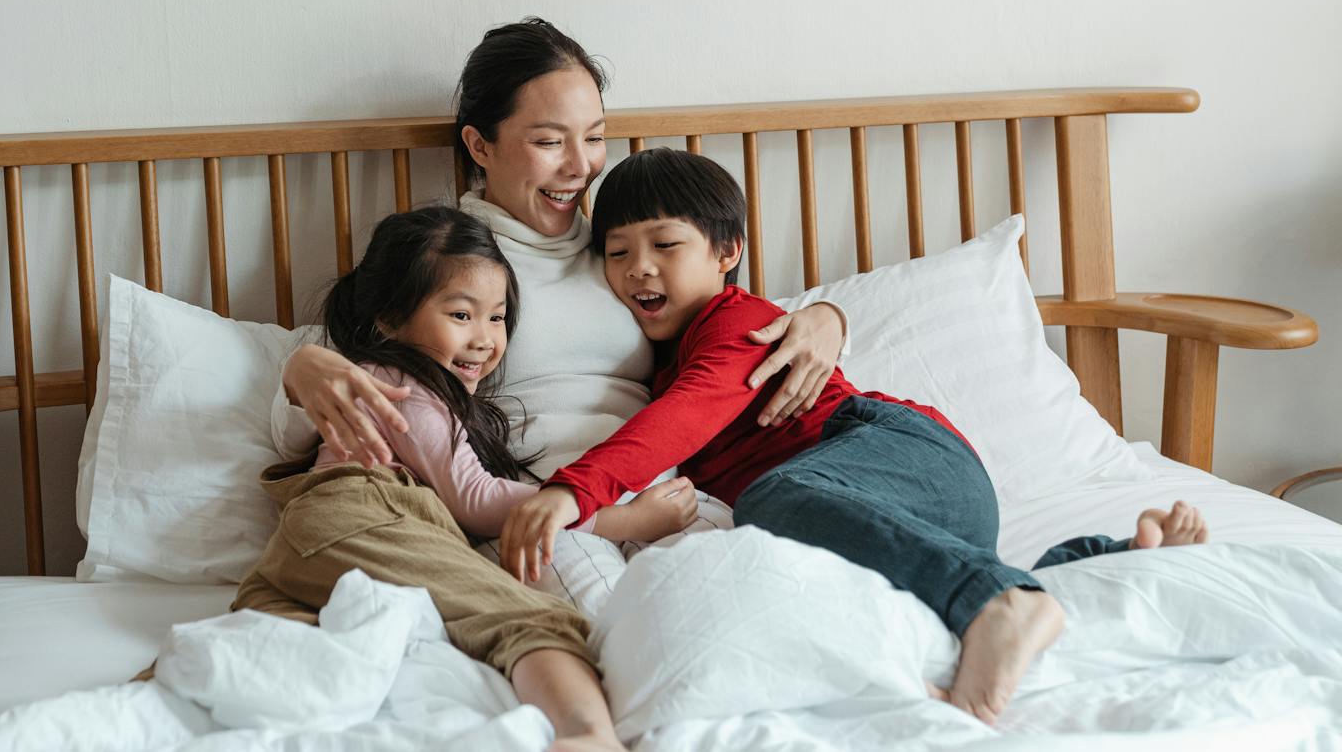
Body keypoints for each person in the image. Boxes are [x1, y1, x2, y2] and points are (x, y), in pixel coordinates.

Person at [498, 148, 1210, 726]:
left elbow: (690, 410)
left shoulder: (739, 322)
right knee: (849, 563)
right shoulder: (658, 361)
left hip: (893, 447)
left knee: (773, 498)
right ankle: (1099, 561)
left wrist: (571, 491)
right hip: (893, 501)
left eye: (664, 244)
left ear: (727, 252)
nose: (638, 268)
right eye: (617, 253)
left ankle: (1000, 600)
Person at [277, 16, 849, 506]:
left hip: (669, 500)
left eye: (594, 138)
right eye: (550, 142)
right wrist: (300, 372)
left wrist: (827, 320)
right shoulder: (446, 261)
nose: (581, 167)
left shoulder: (624, 251)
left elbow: (721, 328)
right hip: (538, 506)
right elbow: (342, 407)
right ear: (479, 146)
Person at [238, 205, 697, 752]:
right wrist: (625, 518)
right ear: (388, 318)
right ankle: (587, 735)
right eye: (460, 316)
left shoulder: (413, 389)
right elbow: (474, 498)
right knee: (534, 617)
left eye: (497, 318)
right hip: (362, 514)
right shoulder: (400, 385)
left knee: (265, 650)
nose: (484, 339)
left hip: (323, 542)